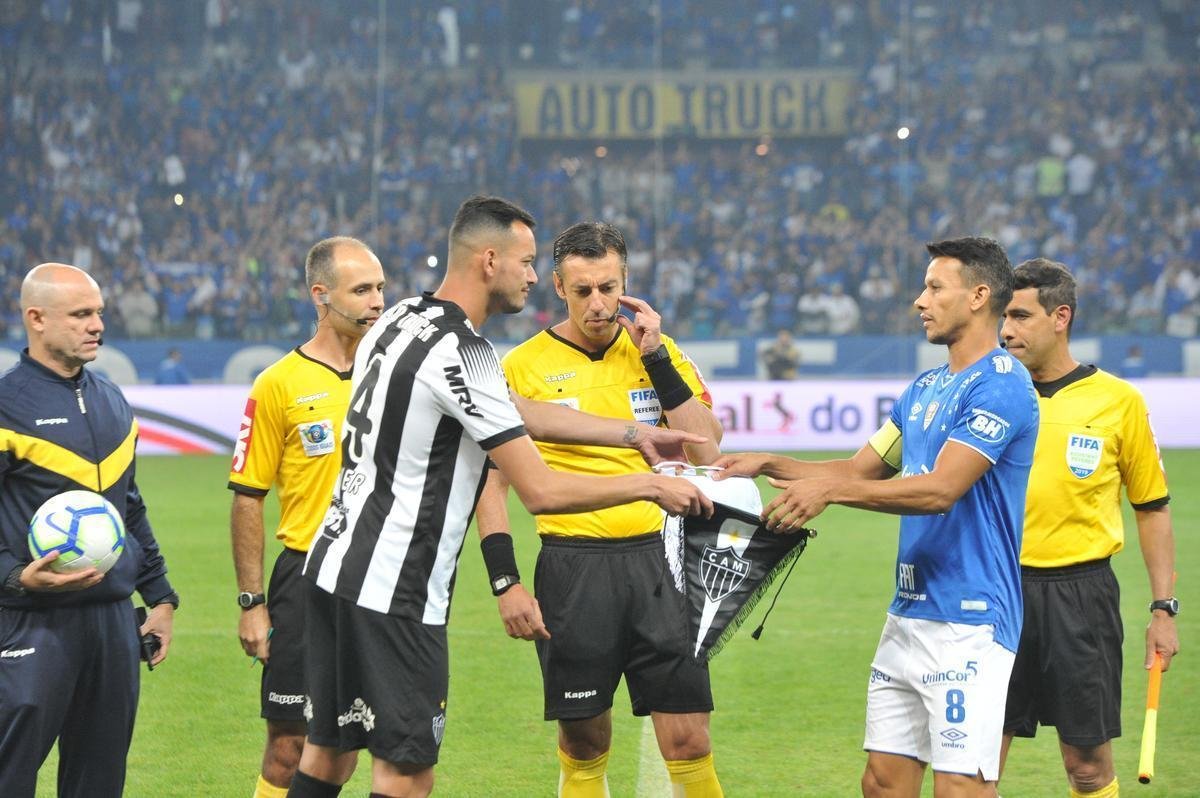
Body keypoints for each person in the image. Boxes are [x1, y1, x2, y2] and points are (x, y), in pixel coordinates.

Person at [289, 196, 714, 798]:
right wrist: (650, 482)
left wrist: (634, 432)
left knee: (327, 758)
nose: (534, 276)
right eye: (528, 261)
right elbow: (539, 491)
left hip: (334, 565)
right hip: (395, 584)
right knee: (406, 776)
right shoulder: (466, 351)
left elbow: (516, 412)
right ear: (490, 261)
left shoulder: (404, 317)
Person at [713, 237, 1039, 798]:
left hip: (970, 620)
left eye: (935, 287)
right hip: (908, 615)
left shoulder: (1002, 385)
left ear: (979, 296)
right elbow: (862, 468)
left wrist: (828, 494)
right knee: (883, 783)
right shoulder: (923, 389)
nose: (920, 300)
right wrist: (772, 461)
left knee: (960, 787)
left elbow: (940, 490)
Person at [476, 221, 726, 797]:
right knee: (585, 742)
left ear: (626, 284)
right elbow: (493, 487)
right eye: (583, 290)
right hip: (572, 565)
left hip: (664, 565)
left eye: (609, 288)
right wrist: (506, 581)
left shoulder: (657, 353)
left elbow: (707, 449)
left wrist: (658, 360)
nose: (599, 303)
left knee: (690, 738)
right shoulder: (522, 368)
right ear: (558, 286)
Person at [998, 258, 1179, 798]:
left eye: (1021, 316)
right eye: (1004, 316)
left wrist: (1163, 609)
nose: (1006, 329)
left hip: (1082, 597)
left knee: (1087, 767)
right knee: (976, 762)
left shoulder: (1119, 401)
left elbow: (1152, 508)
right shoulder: (991, 391)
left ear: (1061, 317)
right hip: (995, 591)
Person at [0, 263, 179, 798]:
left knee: (99, 780)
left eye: (98, 312)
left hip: (112, 623)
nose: (97, 324)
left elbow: (129, 507)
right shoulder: (6, 405)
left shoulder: (112, 399)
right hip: (30, 621)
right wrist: (13, 579)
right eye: (81, 314)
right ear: (36, 318)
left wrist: (160, 596)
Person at [228, 237, 386, 798]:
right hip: (306, 577)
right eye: (362, 290)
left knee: (351, 746)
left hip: (380, 576)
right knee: (290, 744)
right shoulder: (278, 383)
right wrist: (252, 603)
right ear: (320, 295)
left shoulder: (396, 373)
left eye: (380, 288)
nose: (377, 302)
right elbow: (248, 495)